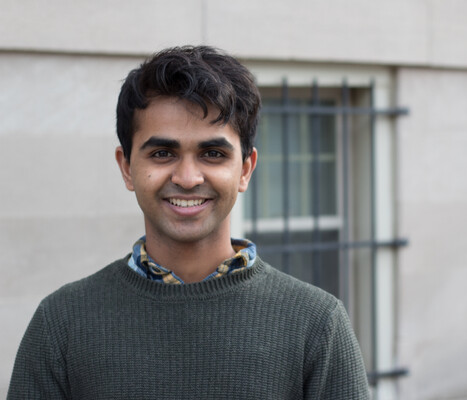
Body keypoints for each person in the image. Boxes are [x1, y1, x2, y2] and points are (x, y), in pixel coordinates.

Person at [8, 45, 369, 399]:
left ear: (245, 170)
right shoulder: (62, 324)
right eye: (163, 153)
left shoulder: (317, 324)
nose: (187, 177)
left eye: (212, 154)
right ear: (127, 167)